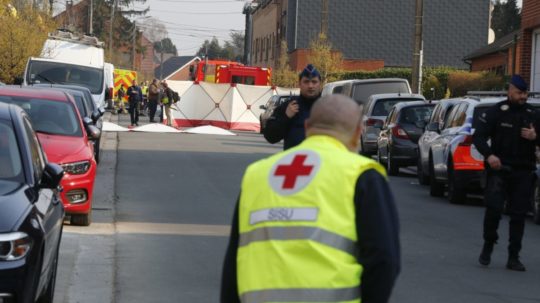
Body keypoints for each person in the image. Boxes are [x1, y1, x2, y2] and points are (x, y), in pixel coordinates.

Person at [221, 94, 401, 303]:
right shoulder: (362, 176)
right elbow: (383, 259)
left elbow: (233, 263)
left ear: (307, 128)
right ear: (357, 133)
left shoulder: (258, 175)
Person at [473, 74, 540, 271]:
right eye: (519, 93)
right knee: (493, 209)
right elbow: (478, 137)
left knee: (518, 215)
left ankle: (513, 256)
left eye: (525, 93)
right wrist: (489, 156)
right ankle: (488, 244)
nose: (523, 96)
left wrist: (536, 136)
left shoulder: (532, 114)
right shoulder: (497, 112)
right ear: (510, 91)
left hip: (523, 171)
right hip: (499, 169)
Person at [263, 64, 323, 149]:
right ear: (299, 84)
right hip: (295, 161)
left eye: (314, 82)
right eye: (306, 82)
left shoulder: (329, 108)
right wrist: (285, 117)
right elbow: (270, 137)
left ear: (320, 84)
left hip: (322, 160)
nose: (310, 86)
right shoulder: (289, 106)